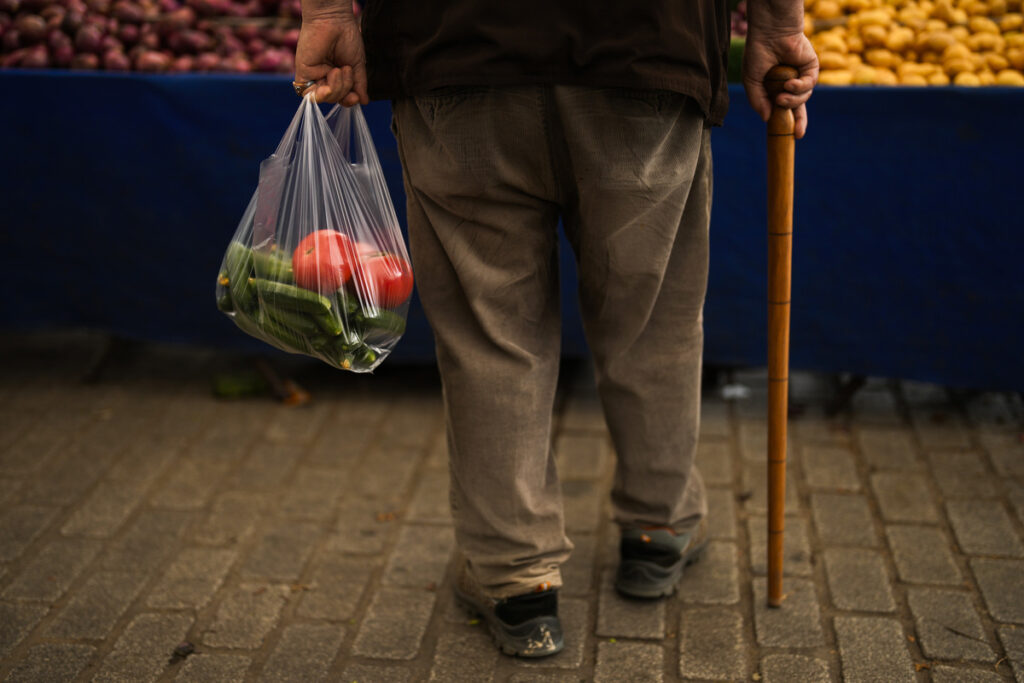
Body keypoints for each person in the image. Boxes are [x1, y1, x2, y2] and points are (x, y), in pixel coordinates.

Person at [293, 0, 817, 659]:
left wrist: (331, 10)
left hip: (458, 43)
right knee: (653, 315)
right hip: (646, 45)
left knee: (491, 330)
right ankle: (659, 527)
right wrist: (777, 24)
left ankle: (515, 573)